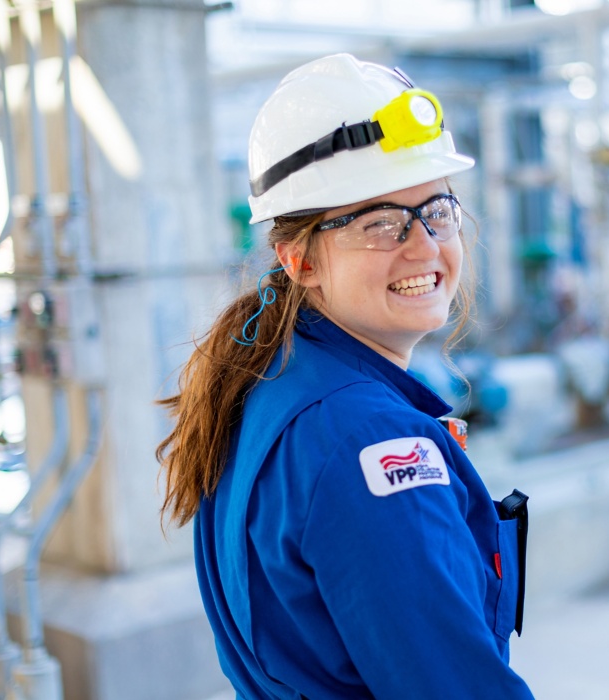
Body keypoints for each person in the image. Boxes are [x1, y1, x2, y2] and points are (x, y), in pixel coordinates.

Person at [157, 53, 534, 699]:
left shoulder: (273, 377)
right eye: (380, 224)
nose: (423, 246)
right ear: (299, 259)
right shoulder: (366, 439)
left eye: (436, 212)